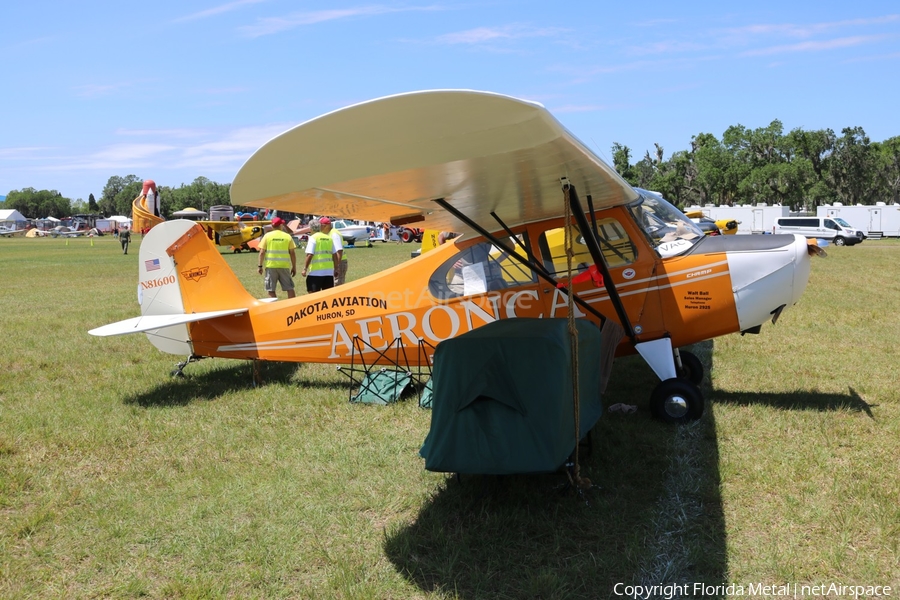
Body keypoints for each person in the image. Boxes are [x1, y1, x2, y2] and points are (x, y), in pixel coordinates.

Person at [257, 216, 297, 299]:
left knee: (271, 290)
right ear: (281, 225)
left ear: (272, 226)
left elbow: (262, 252)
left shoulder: (267, 236)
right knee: (290, 288)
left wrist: (260, 266)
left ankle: (274, 308)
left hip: (271, 266)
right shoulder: (287, 236)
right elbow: (292, 253)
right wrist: (294, 267)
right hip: (284, 266)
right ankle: (293, 307)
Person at [302, 219, 339, 293]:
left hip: (316, 272)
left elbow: (310, 254)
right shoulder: (329, 238)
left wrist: (305, 268)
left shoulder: (313, 238)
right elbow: (335, 255)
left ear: (311, 228)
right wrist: (336, 268)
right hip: (328, 272)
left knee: (313, 296)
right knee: (327, 297)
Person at [320, 217, 347, 286]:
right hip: (335, 262)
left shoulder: (334, 234)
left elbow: (339, 251)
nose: (320, 227)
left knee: (337, 285)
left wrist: (336, 266)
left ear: (327, 226)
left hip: (339, 262)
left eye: (321, 225)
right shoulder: (329, 234)